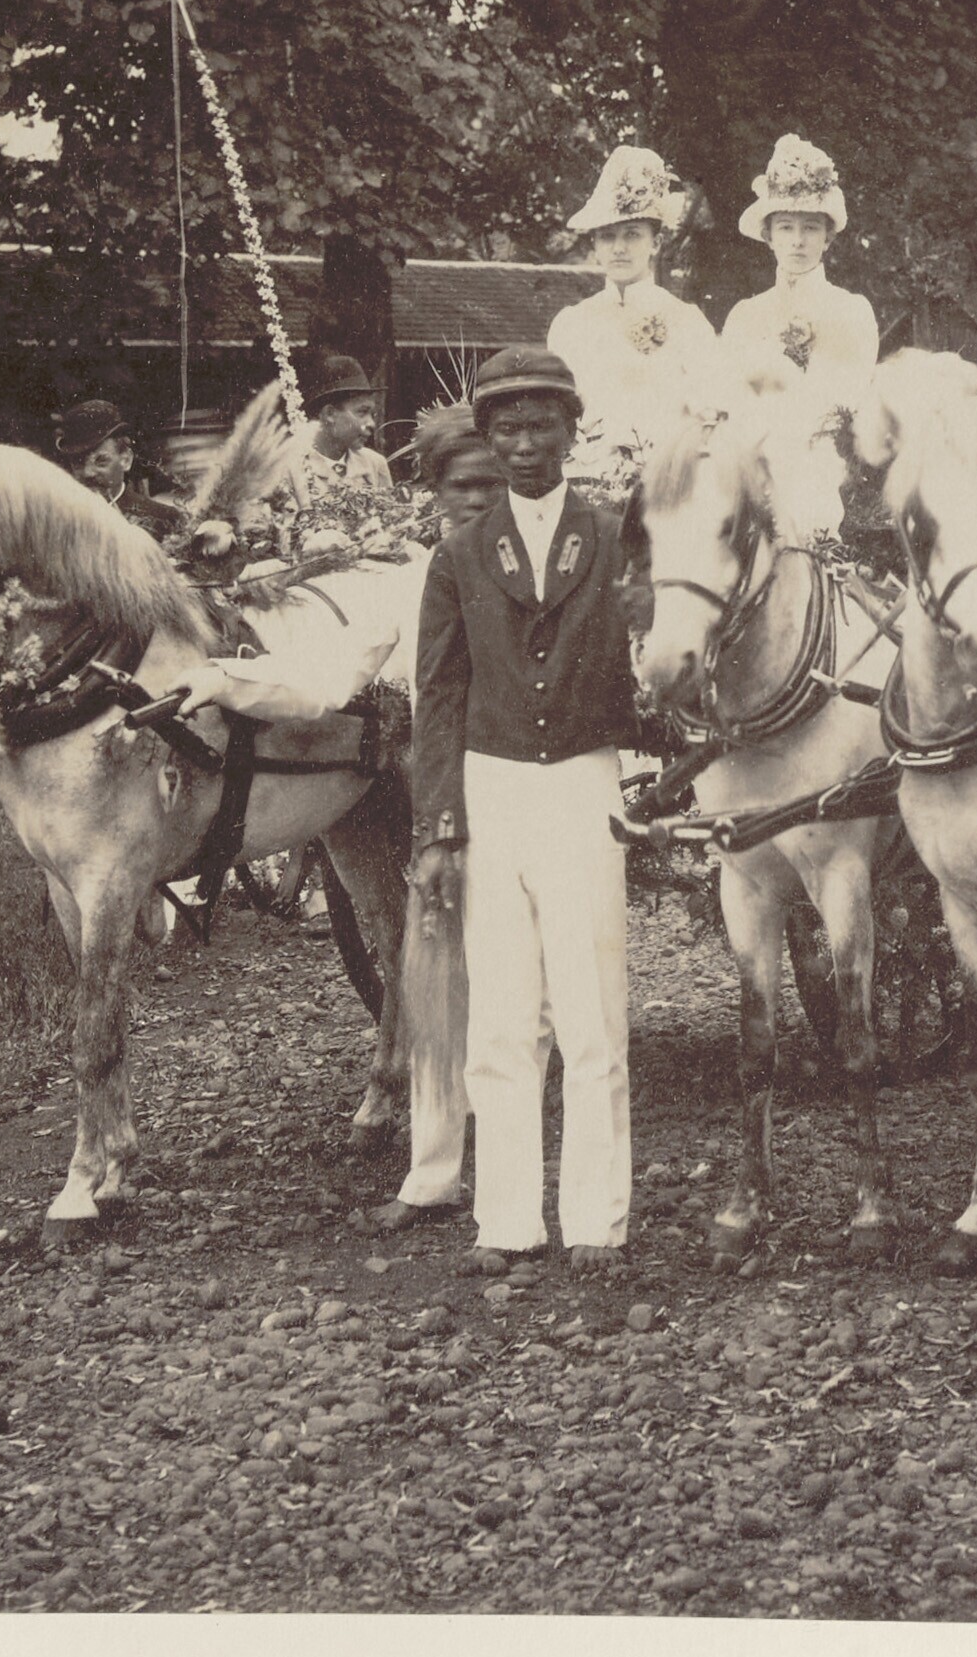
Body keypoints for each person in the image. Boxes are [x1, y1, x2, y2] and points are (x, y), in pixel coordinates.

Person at [411, 347, 639, 1269]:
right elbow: (437, 695)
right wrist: (439, 827)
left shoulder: (615, 537)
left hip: (583, 782)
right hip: (492, 787)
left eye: (541, 424)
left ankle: (595, 1218)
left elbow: (652, 653)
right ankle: (505, 1218)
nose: (523, 444)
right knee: (501, 1017)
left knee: (592, 1013)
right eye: (505, 428)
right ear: (488, 437)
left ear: (571, 430)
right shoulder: (458, 555)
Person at [361, 401, 514, 1229]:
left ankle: (513, 1181)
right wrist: (225, 679)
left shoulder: (532, 566)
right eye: (458, 486)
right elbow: (339, 667)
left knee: (519, 992)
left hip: (524, 794)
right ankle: (430, 1175)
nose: (474, 499)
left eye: (490, 483)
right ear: (432, 491)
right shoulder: (407, 579)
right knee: (434, 980)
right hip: (443, 803)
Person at [545, 144, 720, 476]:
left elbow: (706, 413)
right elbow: (557, 413)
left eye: (632, 235)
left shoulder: (687, 321)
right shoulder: (572, 324)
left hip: (665, 478)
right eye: (607, 236)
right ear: (595, 245)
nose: (619, 248)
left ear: (655, 243)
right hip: (586, 476)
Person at [719, 135, 880, 395]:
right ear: (769, 237)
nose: (798, 241)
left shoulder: (851, 311)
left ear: (827, 238)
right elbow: (733, 396)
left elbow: (853, 395)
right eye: (785, 228)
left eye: (810, 228)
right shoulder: (745, 315)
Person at [53, 399, 183, 535]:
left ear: (126, 460)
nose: (87, 472)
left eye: (101, 461)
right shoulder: (59, 520)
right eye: (78, 462)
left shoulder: (164, 519)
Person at [290, 353, 396, 498]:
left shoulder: (375, 464)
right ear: (330, 414)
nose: (371, 424)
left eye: (372, 414)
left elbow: (389, 511)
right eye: (362, 412)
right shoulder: (291, 467)